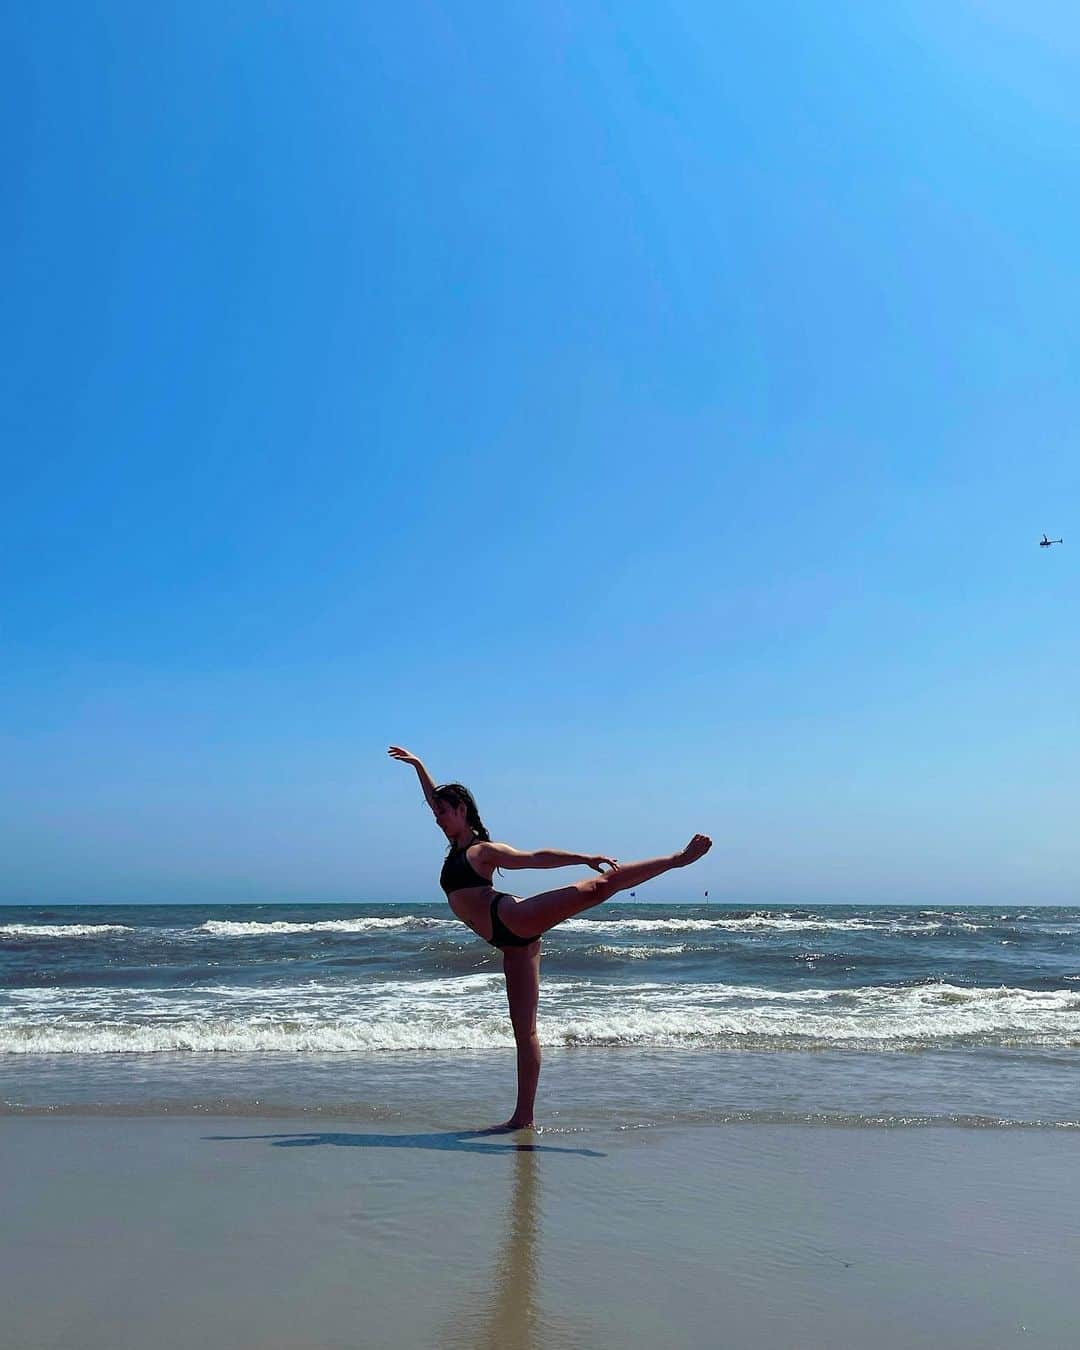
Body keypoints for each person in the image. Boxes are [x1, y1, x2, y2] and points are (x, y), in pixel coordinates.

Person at [388, 746, 712, 1130]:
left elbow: (534, 858)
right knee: (524, 1032)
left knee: (597, 887)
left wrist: (582, 857)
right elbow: (431, 797)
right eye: (436, 811)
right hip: (511, 944)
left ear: (461, 809)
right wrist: (419, 767)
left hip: (513, 918)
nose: (437, 817)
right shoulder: (457, 845)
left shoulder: (482, 851)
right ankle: (522, 1118)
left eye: (443, 811)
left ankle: (676, 859)